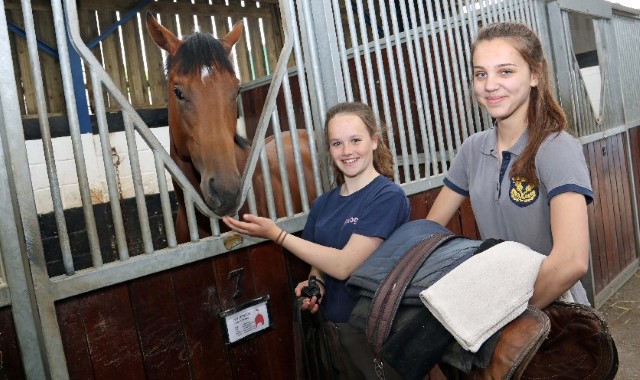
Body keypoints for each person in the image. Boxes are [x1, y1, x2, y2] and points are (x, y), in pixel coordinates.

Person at [223, 101, 411, 378]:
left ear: (374, 141)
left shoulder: (387, 196)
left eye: (355, 140)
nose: (346, 151)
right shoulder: (323, 205)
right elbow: (321, 265)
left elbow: (344, 265)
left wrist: (277, 235)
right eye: (337, 143)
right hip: (332, 334)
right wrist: (316, 284)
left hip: (374, 334)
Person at [426, 22, 593, 308]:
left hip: (555, 314)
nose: (490, 85)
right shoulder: (472, 149)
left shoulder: (557, 149)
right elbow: (430, 228)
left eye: (505, 71)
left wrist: (511, 315)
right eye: (481, 74)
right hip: (499, 301)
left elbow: (571, 262)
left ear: (535, 75)